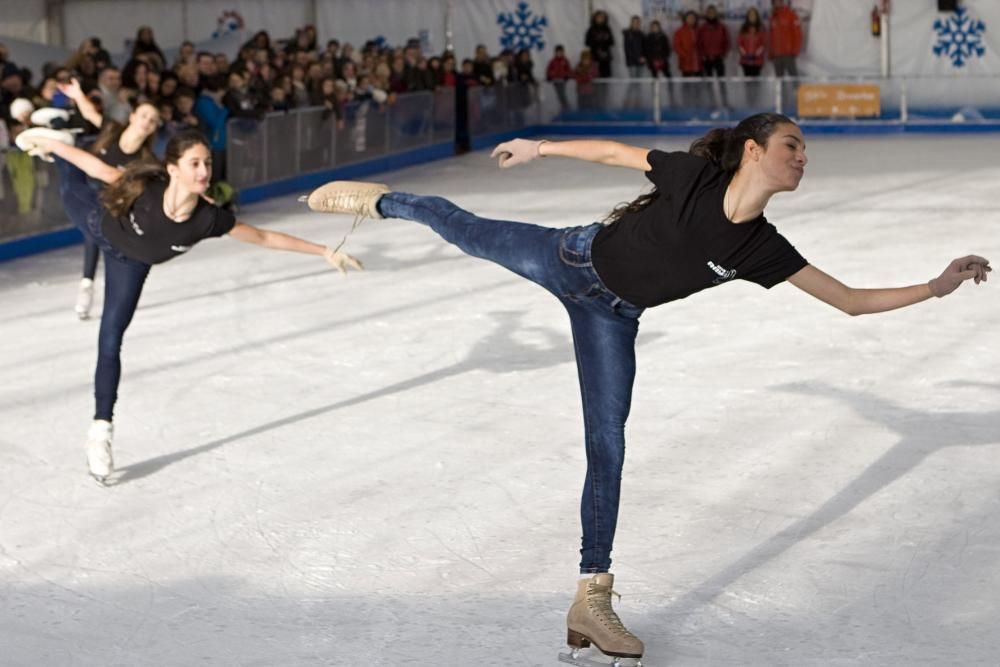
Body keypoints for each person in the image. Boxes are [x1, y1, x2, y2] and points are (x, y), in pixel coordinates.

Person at [299, 113, 991, 662]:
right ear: (752, 150)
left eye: (806, 150)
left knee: (608, 444)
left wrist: (936, 284)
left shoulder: (763, 248)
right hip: (568, 255)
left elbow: (849, 300)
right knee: (466, 228)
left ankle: (590, 596)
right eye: (792, 144)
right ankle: (387, 201)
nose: (803, 157)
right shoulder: (693, 176)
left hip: (613, 318)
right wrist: (540, 148)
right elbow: (615, 155)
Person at [15, 127, 362, 485]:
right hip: (99, 223)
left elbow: (262, 236)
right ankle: (58, 143)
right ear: (173, 169)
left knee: (110, 339)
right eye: (194, 163)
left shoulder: (208, 219)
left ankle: (100, 433)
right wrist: (54, 145)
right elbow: (100, 170)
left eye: (207, 163)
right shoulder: (146, 191)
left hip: (130, 266)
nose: (204, 171)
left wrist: (322, 250)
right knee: (70, 186)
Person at [57, 77, 161, 319]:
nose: (147, 122)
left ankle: (91, 286)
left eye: (153, 120)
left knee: (99, 231)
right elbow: (90, 112)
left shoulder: (146, 161)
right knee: (92, 228)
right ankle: (88, 285)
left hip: (111, 205)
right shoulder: (111, 129)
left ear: (154, 128)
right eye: (144, 115)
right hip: (84, 190)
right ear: (133, 116)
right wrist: (77, 93)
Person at [769, 0, 803, 77]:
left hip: (789, 54)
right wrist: (771, 53)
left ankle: (796, 89)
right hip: (776, 55)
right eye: (775, 1)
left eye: (779, 1)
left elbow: (797, 35)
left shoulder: (791, 15)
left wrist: (795, 50)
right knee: (779, 80)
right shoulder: (773, 17)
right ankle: (780, 89)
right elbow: (771, 37)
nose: (777, 3)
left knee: (794, 78)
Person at [585, 10, 615, 79]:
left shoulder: (607, 29)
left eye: (602, 17)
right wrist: (597, 41)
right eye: (599, 17)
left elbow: (612, 42)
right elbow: (587, 42)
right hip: (595, 57)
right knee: (595, 76)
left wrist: (605, 41)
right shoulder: (591, 29)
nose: (600, 19)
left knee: (606, 76)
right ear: (595, 18)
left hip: (605, 57)